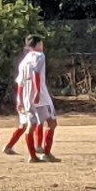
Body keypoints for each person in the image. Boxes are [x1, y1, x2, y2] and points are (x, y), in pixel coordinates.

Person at [18, 35, 60, 163]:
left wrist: (20, 100)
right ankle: (46, 153)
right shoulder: (40, 56)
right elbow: (36, 72)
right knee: (52, 123)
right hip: (40, 95)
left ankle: (32, 156)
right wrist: (37, 92)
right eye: (41, 43)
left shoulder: (24, 61)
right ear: (37, 44)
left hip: (26, 96)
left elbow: (20, 82)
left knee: (31, 125)